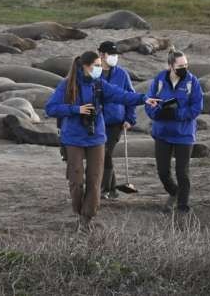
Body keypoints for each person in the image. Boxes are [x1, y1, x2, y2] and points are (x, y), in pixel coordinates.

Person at [45, 51, 159, 231]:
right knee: (76, 179)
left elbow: (121, 95)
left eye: (100, 65)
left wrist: (144, 99)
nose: (100, 68)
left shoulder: (99, 85)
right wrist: (76, 110)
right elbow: (50, 108)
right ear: (85, 66)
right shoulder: (67, 85)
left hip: (96, 137)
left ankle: (86, 218)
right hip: (73, 137)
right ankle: (78, 209)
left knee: (95, 179)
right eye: (96, 66)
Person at [144, 49, 204, 214]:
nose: (184, 68)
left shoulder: (192, 82)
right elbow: (149, 103)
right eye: (180, 65)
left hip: (183, 134)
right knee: (163, 172)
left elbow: (197, 107)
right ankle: (174, 192)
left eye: (186, 65)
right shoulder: (159, 80)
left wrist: (177, 114)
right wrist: (158, 113)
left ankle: (183, 207)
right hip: (162, 133)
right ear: (170, 66)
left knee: (182, 172)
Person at [96, 40, 137, 200]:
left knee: (105, 153)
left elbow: (131, 96)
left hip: (115, 121)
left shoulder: (121, 74)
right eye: (110, 54)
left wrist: (130, 118)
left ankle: (103, 189)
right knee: (103, 154)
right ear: (101, 54)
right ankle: (112, 190)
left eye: (115, 54)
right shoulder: (94, 72)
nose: (114, 57)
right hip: (97, 121)